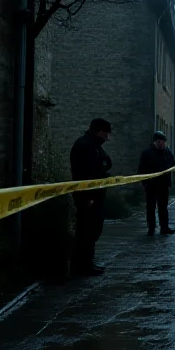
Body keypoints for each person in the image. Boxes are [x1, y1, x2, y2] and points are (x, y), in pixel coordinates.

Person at [69, 118, 113, 276]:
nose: (107, 137)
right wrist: (88, 196)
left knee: (94, 228)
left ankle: (88, 261)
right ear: (100, 131)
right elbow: (83, 173)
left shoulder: (95, 146)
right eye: (106, 133)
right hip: (88, 196)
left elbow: (105, 163)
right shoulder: (84, 146)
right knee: (86, 229)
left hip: (96, 194)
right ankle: (82, 265)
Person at [138, 130, 175, 236]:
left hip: (164, 185)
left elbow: (173, 164)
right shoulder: (147, 153)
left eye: (163, 141)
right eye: (160, 141)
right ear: (155, 142)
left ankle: (164, 227)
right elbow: (141, 169)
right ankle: (151, 228)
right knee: (151, 208)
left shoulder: (167, 152)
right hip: (151, 185)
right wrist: (145, 182)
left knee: (163, 207)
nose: (162, 144)